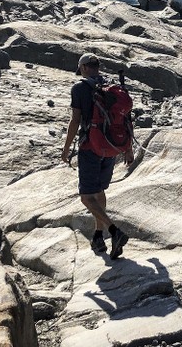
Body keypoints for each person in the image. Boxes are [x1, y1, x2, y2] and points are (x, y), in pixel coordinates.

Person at [61, 52, 134, 258]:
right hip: (110, 146)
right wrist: (128, 149)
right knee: (99, 191)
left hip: (90, 147)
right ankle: (98, 236)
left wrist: (66, 149)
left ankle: (114, 231)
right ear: (97, 67)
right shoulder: (111, 88)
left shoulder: (80, 88)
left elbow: (75, 121)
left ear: (83, 68)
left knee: (86, 197)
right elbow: (126, 118)